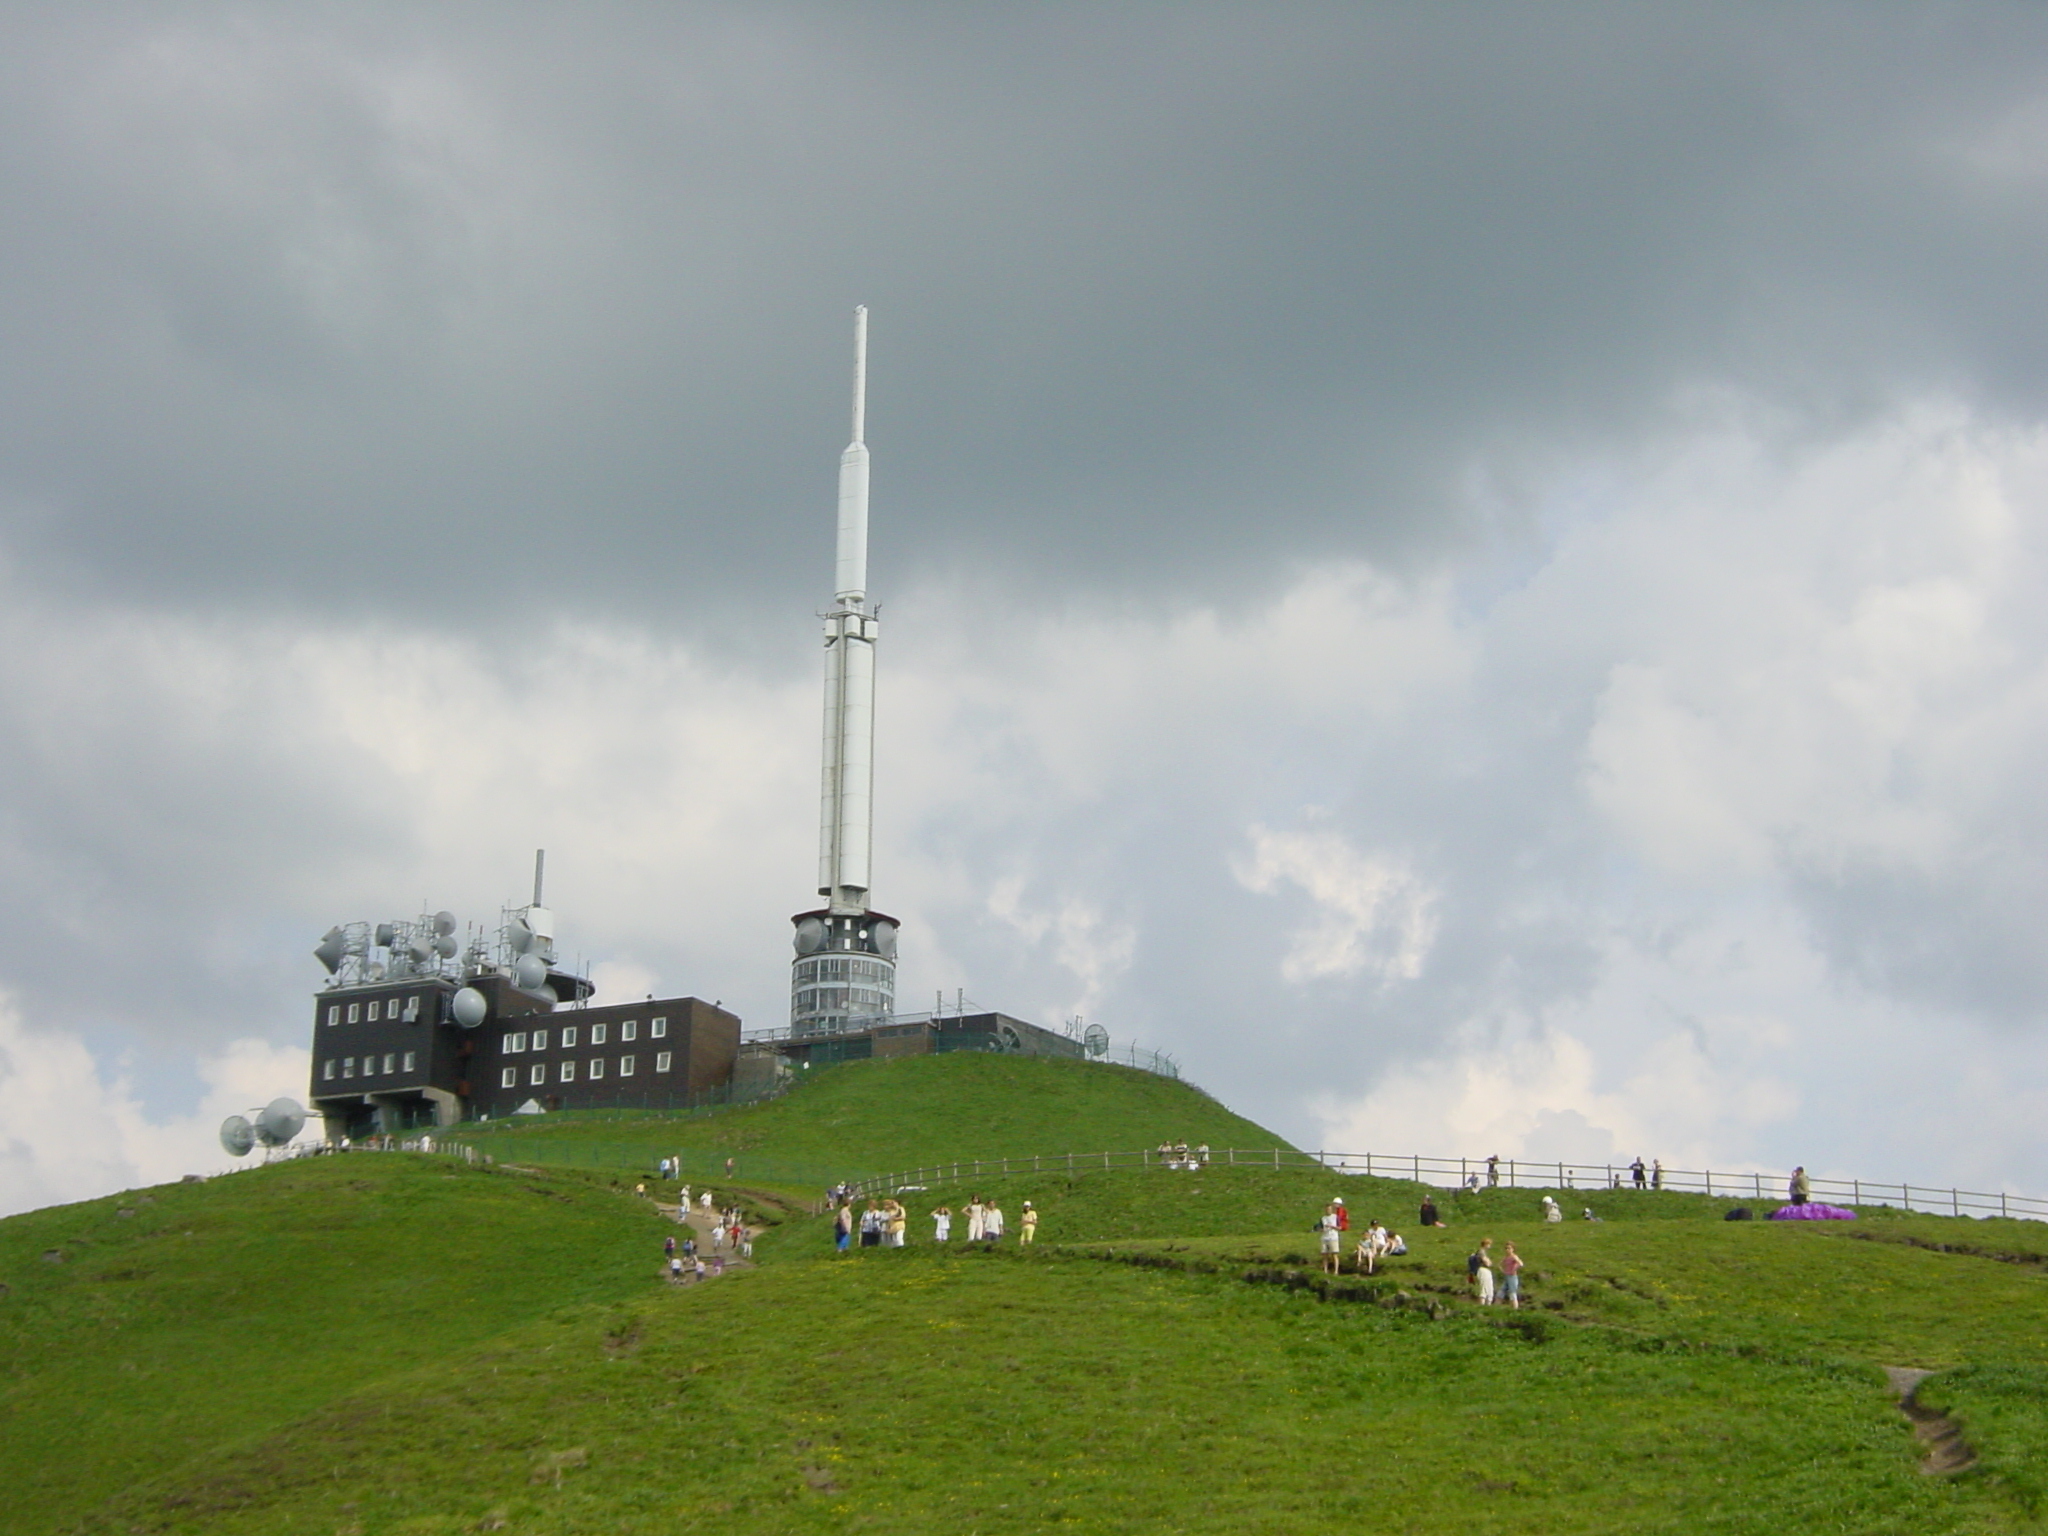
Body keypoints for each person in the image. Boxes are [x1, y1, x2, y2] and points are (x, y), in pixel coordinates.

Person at [1470, 1238, 1495, 1304]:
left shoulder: (1482, 1252)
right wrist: (1489, 1262)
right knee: (1484, 1288)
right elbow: (1487, 1263)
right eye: (1489, 1244)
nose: (1490, 1246)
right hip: (1483, 1270)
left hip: (1483, 1270)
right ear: (1485, 1244)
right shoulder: (1481, 1252)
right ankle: (1482, 1304)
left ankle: (1486, 1303)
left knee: (1487, 1287)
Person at [1319, 1203, 1342, 1275]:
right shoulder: (1323, 1218)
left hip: (1333, 1237)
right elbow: (1320, 1228)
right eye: (1326, 1209)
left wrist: (1332, 1226)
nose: (1328, 1210)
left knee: (1334, 1254)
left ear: (1331, 1209)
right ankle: (1325, 1270)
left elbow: (1340, 1228)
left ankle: (1336, 1271)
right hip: (1325, 1237)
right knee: (1324, 1255)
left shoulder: (1335, 1217)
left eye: (1329, 1209)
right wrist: (1322, 1229)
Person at [1500, 1241, 1524, 1308]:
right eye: (1506, 1248)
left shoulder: (1514, 1256)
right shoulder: (1506, 1257)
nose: (1507, 1250)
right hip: (1507, 1276)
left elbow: (1521, 1263)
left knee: (1512, 1293)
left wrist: (1514, 1269)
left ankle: (1515, 1308)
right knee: (1501, 1292)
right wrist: (1503, 1270)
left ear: (1513, 1249)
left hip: (1512, 1276)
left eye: (1509, 1248)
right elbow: (1500, 1264)